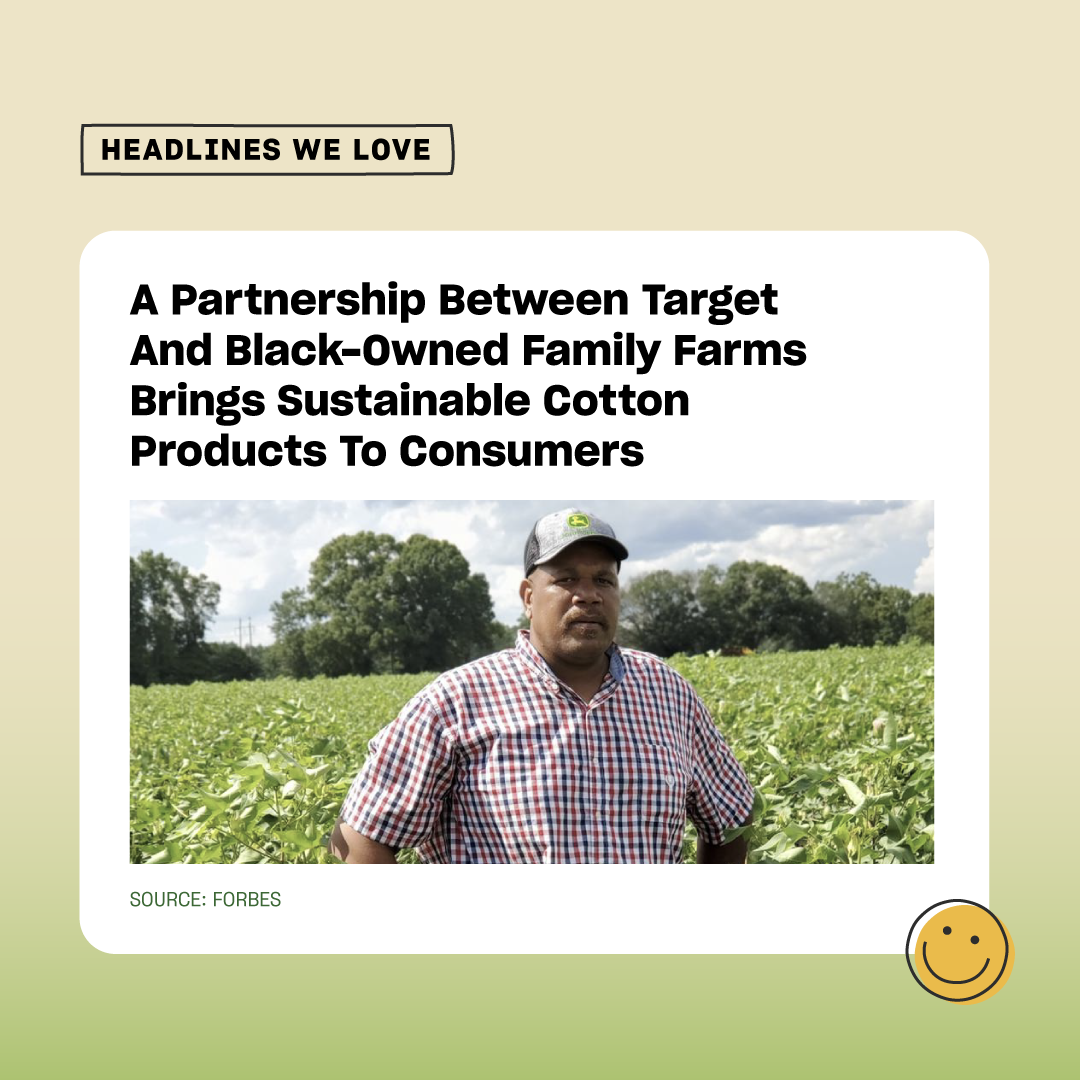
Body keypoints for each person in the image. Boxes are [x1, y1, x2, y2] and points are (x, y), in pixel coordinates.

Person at [330, 508, 754, 864]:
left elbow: (731, 817)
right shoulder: (456, 701)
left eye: (604, 580)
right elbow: (363, 834)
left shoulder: (667, 692)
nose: (587, 595)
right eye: (566, 579)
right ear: (529, 596)